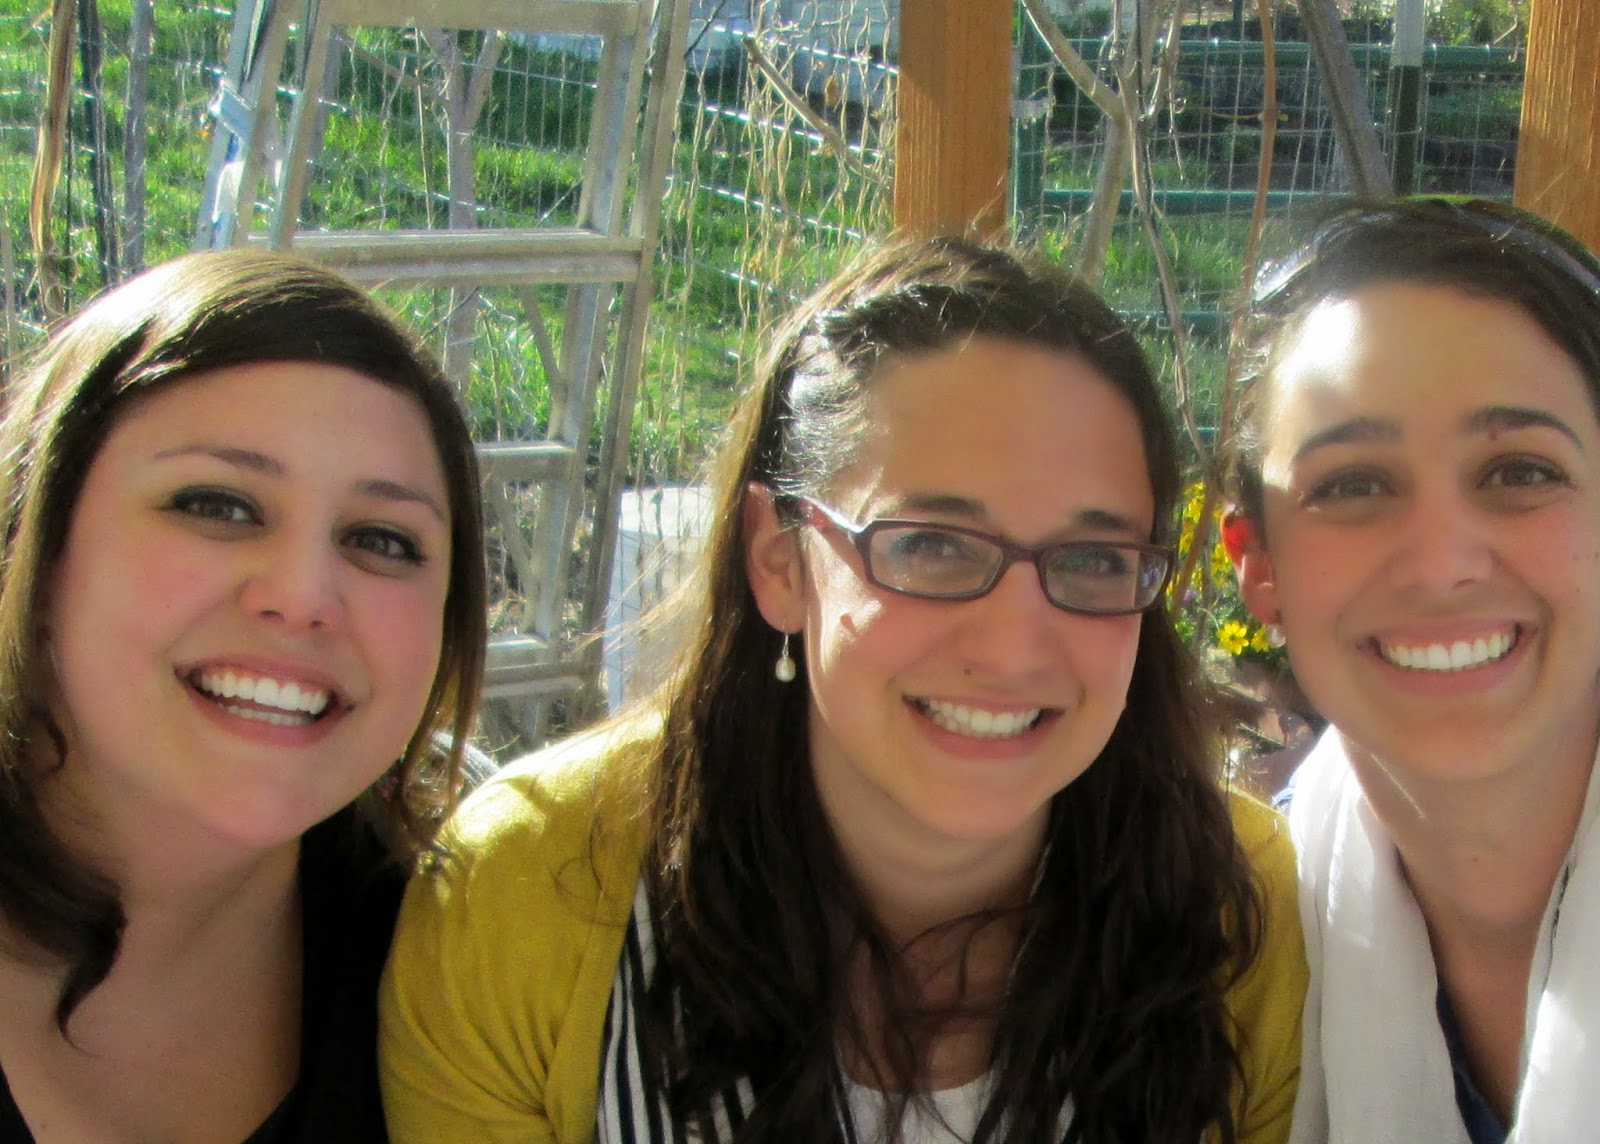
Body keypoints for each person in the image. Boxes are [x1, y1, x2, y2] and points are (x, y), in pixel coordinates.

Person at [381, 236, 1305, 1143]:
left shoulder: (1242, 912)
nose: (1014, 646)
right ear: (779, 559)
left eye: (1094, 558)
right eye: (931, 545)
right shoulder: (524, 895)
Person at [0, 249, 487, 1143]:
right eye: (217, 505)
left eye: (381, 540)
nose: (303, 597)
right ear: (35, 546)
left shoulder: (476, 980)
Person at [1226, 197, 1600, 1143]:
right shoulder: (1248, 944)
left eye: (1520, 472)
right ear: (1259, 565)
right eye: (1353, 485)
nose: (1441, 566)